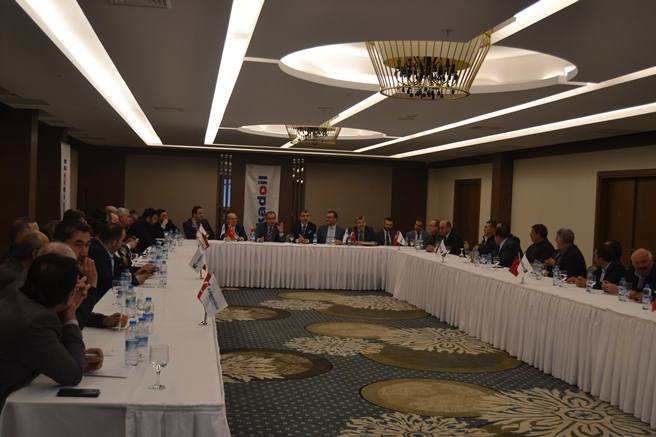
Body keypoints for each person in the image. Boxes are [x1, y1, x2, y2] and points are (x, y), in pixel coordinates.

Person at [0, 254, 103, 409]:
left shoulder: (16, 296)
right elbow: (72, 375)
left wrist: (70, 358)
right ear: (68, 293)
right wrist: (70, 313)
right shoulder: (38, 321)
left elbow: (40, 349)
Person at [54, 221, 122, 329]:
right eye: (78, 245)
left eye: (87, 245)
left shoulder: (74, 269)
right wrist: (92, 285)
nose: (84, 253)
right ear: (58, 244)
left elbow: (75, 313)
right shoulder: (51, 274)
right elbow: (73, 323)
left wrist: (102, 320)